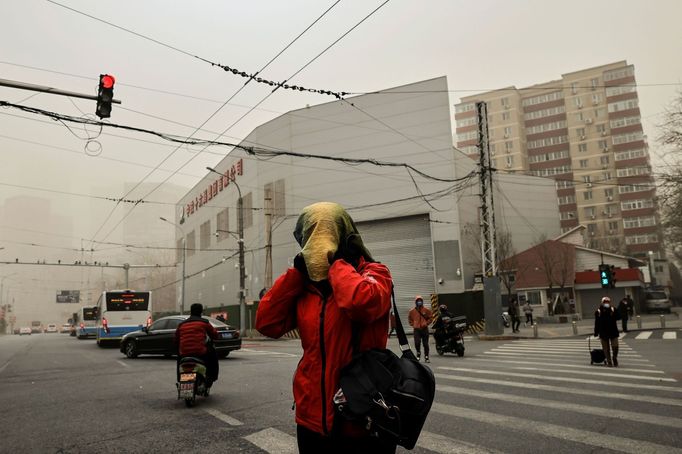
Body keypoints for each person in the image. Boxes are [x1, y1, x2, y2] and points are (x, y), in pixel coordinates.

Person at [255, 202, 395, 454]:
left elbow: (362, 303)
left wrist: (339, 264)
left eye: (328, 233)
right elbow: (267, 323)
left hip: (362, 416)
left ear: (345, 236)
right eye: (312, 235)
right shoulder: (304, 288)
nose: (320, 242)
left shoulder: (374, 273)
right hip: (311, 417)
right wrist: (296, 275)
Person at [174, 303, 220, 385]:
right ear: (201, 312)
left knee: (179, 359)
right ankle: (211, 377)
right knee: (213, 356)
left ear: (190, 312)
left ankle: (179, 378)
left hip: (184, 352)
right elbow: (215, 335)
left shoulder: (182, 324)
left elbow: (176, 339)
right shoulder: (204, 322)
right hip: (200, 352)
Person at [594, 296, 620, 367]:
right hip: (603, 332)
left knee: (615, 346)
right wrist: (596, 332)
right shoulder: (599, 311)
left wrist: (614, 312)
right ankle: (609, 362)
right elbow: (597, 322)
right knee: (606, 349)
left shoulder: (613, 309)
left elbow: (618, 317)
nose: (607, 303)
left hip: (613, 331)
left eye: (608, 302)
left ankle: (614, 357)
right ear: (602, 303)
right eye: (605, 302)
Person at [408, 295, 433, 362]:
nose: (419, 302)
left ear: (422, 302)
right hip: (417, 330)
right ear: (415, 302)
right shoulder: (412, 311)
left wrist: (426, 323)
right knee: (417, 343)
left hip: (424, 329)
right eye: (418, 301)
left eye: (420, 301)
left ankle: (426, 357)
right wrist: (413, 324)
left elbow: (431, 318)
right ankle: (418, 354)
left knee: (425, 344)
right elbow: (410, 319)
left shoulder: (426, 310)